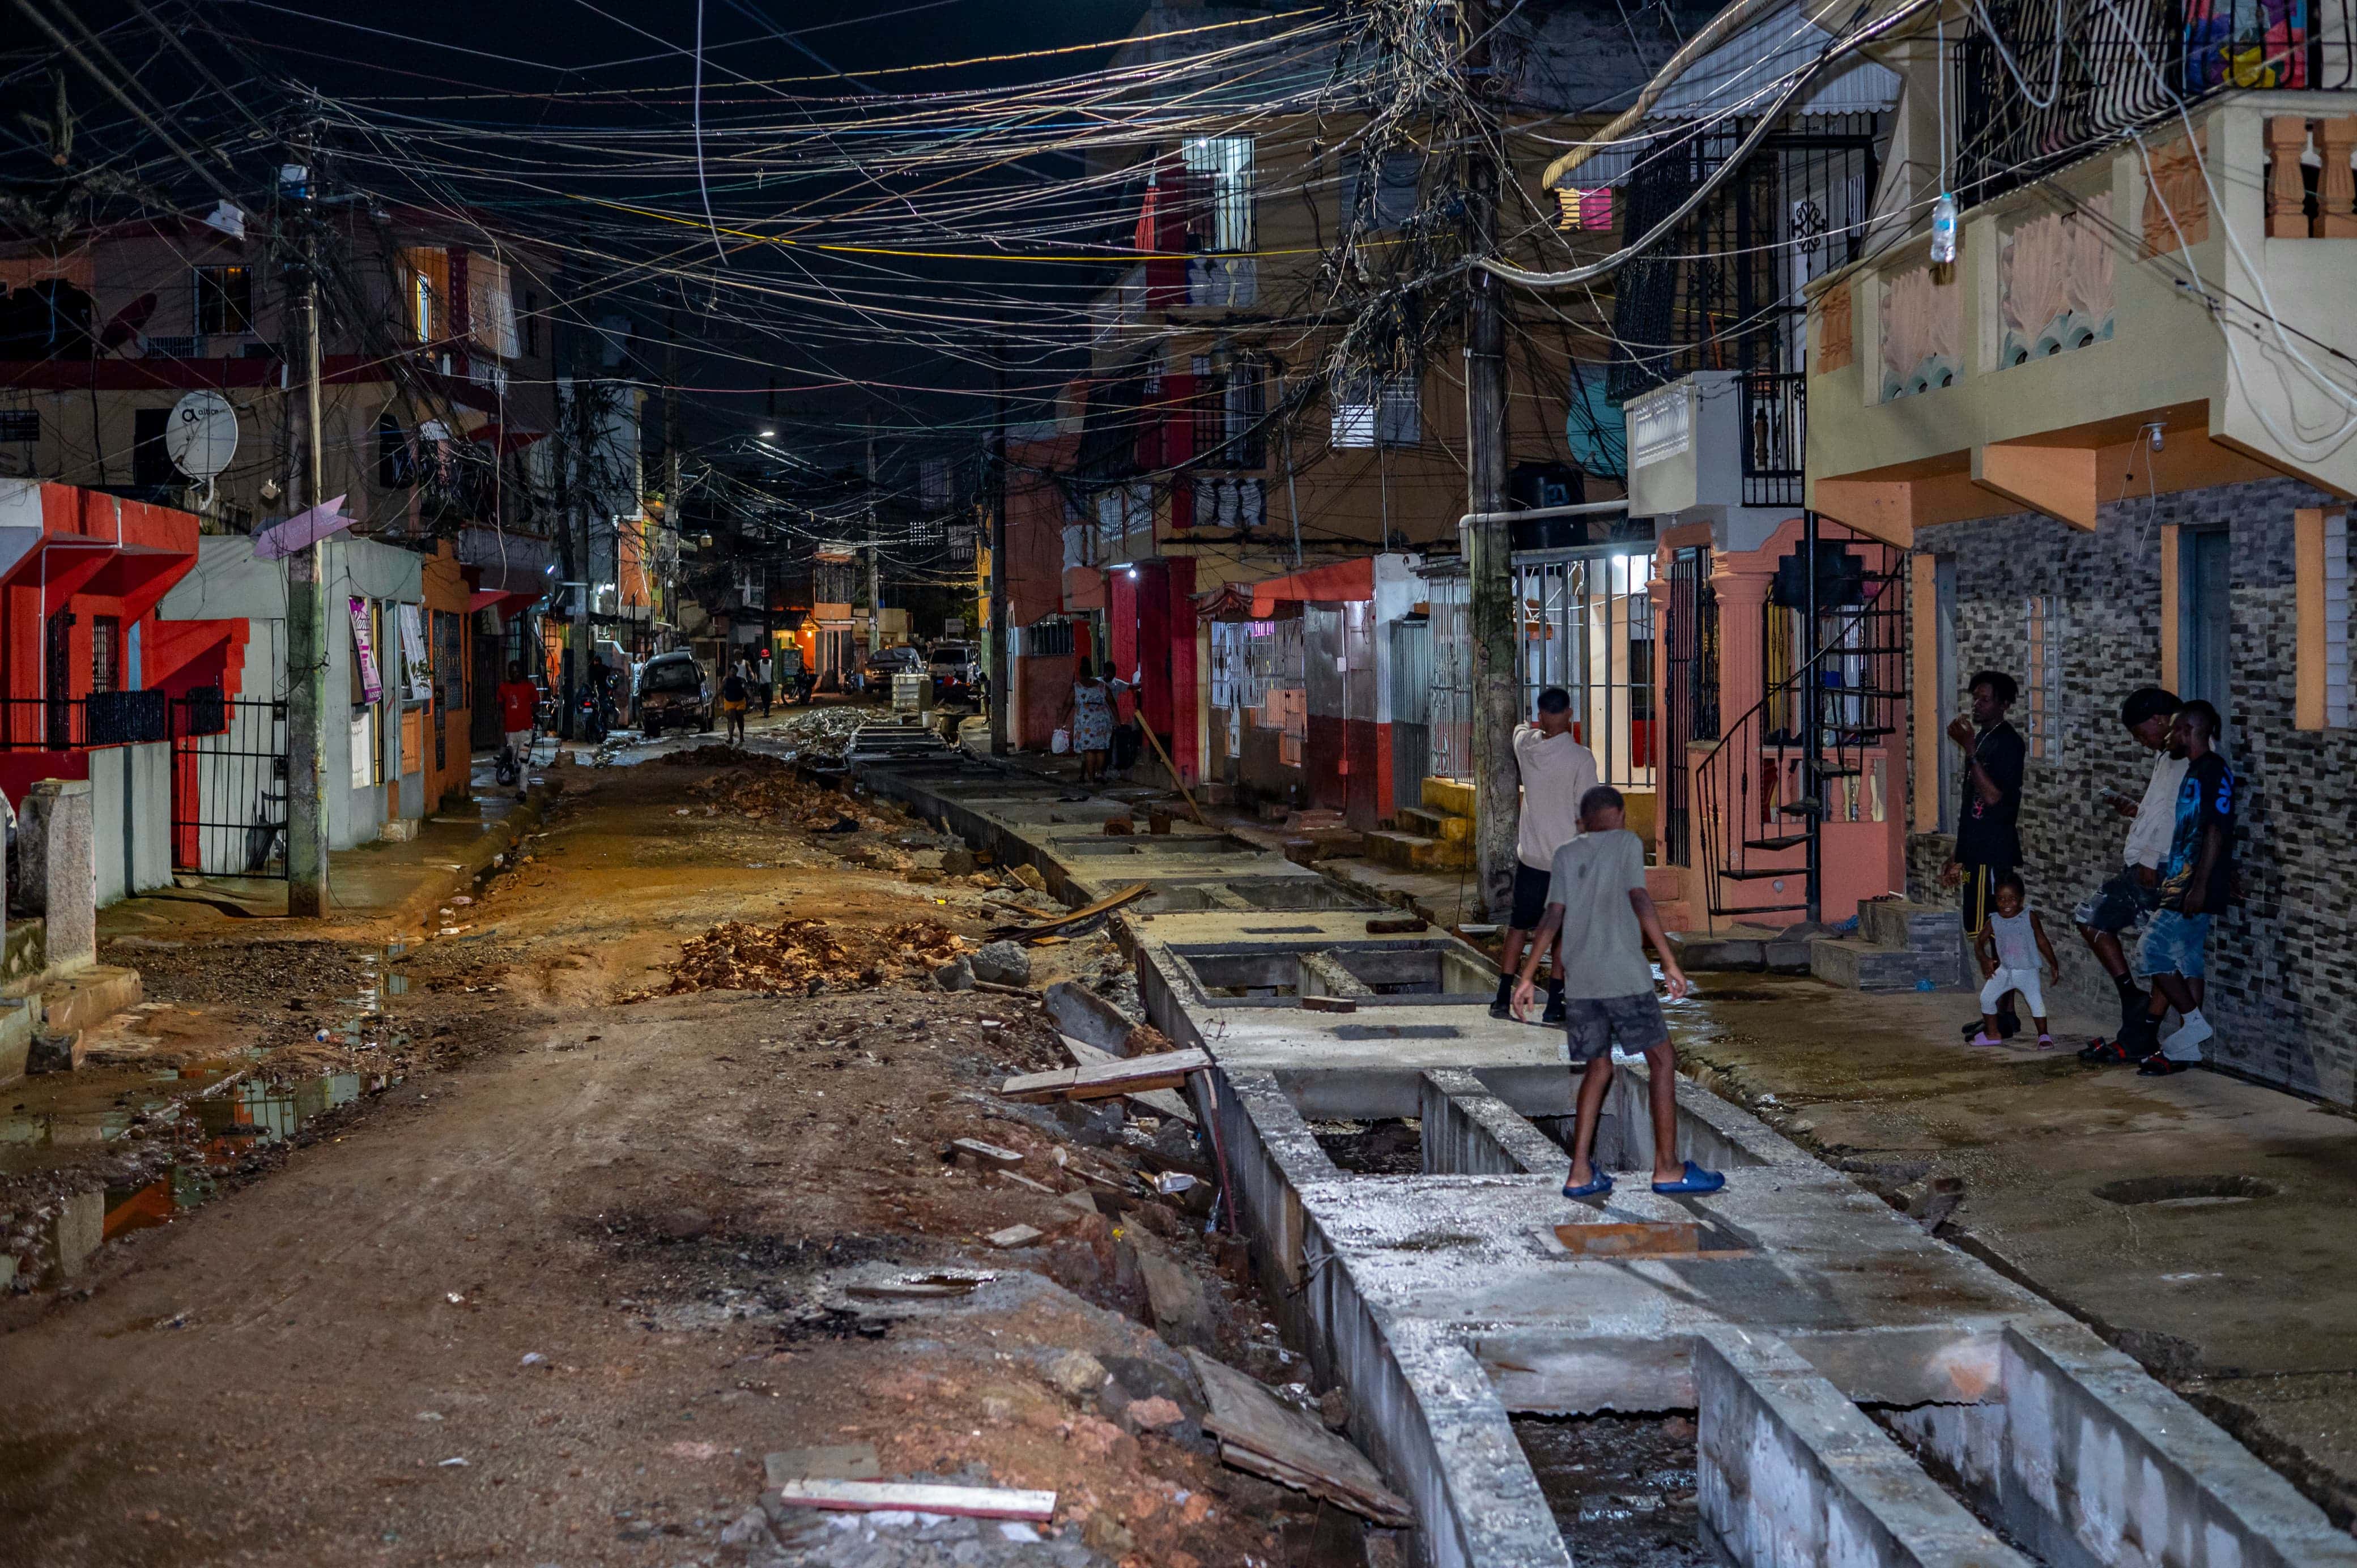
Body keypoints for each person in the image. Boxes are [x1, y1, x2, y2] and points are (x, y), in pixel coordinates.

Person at [1512, 786, 1720, 1200]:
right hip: (1625, 979)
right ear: (1621, 815)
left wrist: (1527, 976)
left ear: (1583, 822)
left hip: (1582, 984)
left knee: (1599, 1068)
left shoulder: (1565, 854)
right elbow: (1639, 898)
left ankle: (1579, 1172)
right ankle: (1667, 1168)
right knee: (1662, 1059)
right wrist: (1669, 961)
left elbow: (1552, 916)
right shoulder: (1627, 843)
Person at [2074, 689, 2186, 1059]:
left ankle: (2145, 1031)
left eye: (2141, 734)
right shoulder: (2167, 754)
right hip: (2146, 862)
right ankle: (2132, 1002)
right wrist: (2136, 810)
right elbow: (2162, 811)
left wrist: (2151, 858)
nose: (2141, 742)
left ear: (2159, 719)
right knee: (2091, 918)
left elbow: (2181, 815)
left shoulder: (2186, 752)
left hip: (2162, 865)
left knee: (2158, 951)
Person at [2127, 700, 2235, 1076]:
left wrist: (2199, 886)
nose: (2169, 736)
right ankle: (2187, 1051)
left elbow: (2216, 830)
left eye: (2175, 730)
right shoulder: (2197, 769)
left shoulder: (2211, 770)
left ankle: (2193, 1024)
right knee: (2187, 957)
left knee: (2150, 952)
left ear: (2189, 731)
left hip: (2192, 883)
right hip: (2183, 877)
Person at [1494, 688, 1600, 1024]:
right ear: (1569, 714)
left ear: (1541, 716)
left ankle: (1501, 999)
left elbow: (1519, 730)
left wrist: (1529, 725)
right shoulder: (1582, 759)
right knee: (1563, 933)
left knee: (1518, 927)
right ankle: (1554, 1005)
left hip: (1532, 860)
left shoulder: (1526, 747)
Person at [1941, 670, 2027, 1037]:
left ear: (2004, 704)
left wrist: (1970, 751)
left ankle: (2003, 1015)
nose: (1977, 705)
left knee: (1995, 936)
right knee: (1987, 936)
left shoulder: (2007, 743)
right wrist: (1958, 854)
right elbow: (1971, 807)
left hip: (1994, 853)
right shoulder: (1983, 741)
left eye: (1985, 699)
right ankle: (2000, 1013)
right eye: (1975, 698)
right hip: (1976, 853)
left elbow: (1993, 798)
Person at [1971, 874, 2061, 1048]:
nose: (2006, 904)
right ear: (1996, 900)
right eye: (2001, 899)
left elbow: (2042, 940)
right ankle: (1993, 1034)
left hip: (2027, 970)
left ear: (2021, 899)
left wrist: (2054, 963)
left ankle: (2044, 1036)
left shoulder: (2028, 916)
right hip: (2005, 970)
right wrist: (1983, 958)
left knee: (2035, 1001)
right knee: (1986, 998)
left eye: (2012, 899)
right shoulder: (1994, 920)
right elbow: (1979, 941)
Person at [1061, 659, 1130, 785]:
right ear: (1092, 673)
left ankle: (1092, 780)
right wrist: (1117, 720)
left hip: (1085, 721)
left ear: (1080, 674)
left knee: (1089, 751)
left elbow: (1067, 704)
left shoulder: (1077, 687)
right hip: (1102, 720)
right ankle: (1100, 773)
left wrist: (1062, 721)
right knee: (1101, 749)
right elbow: (1112, 703)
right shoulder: (1102, 686)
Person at [495, 661, 538, 795]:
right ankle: (517, 779)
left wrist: (527, 712)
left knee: (524, 759)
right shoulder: (504, 688)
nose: (515, 675)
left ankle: (523, 790)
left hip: (526, 730)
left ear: (521, 673)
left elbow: (536, 705)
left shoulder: (529, 687)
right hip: (511, 731)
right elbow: (501, 707)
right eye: (513, 672)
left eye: (517, 672)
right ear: (509, 673)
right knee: (516, 760)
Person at [720, 663, 750, 744]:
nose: (733, 673)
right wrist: (715, 699)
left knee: (740, 718)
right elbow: (720, 690)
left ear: (737, 672)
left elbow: (747, 689)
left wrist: (751, 697)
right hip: (729, 702)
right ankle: (730, 737)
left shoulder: (741, 680)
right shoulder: (726, 681)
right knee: (731, 718)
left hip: (740, 701)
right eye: (731, 671)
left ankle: (741, 735)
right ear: (729, 672)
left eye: (734, 671)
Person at [756, 647, 775, 717]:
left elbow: (772, 672)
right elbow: (758, 673)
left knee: (768, 698)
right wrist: (758, 682)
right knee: (763, 698)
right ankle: (766, 709)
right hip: (762, 683)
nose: (765, 659)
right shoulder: (759, 663)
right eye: (764, 657)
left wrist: (773, 681)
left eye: (766, 657)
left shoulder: (771, 663)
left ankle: (767, 710)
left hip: (769, 683)